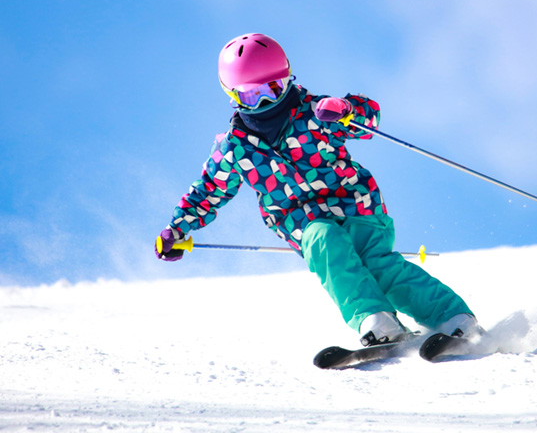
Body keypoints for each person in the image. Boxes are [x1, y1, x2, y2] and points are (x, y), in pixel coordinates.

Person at [154, 33, 480, 347]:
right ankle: (375, 319)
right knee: (326, 242)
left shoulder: (315, 113)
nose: (267, 100)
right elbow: (209, 190)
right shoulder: (234, 149)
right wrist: (177, 227)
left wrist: (347, 111)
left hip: (356, 204)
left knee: (379, 264)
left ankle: (452, 317)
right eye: (253, 96)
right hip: (302, 222)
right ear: (233, 96)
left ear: (288, 78)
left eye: (274, 88)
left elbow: (369, 118)